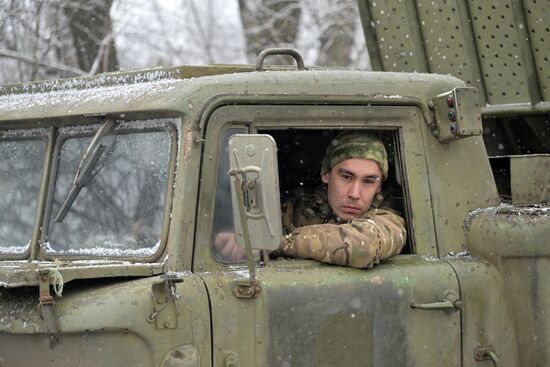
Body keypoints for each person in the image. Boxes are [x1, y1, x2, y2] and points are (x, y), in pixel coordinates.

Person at [214, 131, 406, 269]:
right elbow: (252, 236)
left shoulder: (389, 217)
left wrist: (274, 244)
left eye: (369, 181)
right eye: (346, 177)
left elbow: (364, 246)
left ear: (379, 186)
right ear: (326, 174)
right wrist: (238, 242)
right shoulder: (297, 208)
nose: (355, 193)